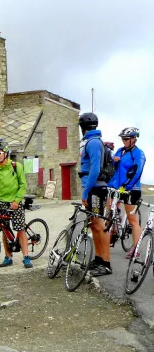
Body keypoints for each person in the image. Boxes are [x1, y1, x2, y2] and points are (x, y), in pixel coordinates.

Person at [77, 112, 112, 276]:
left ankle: (105, 263)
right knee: (94, 225)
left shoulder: (92, 143)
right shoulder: (93, 142)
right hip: (94, 189)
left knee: (99, 226)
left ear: (82, 127)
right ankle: (98, 259)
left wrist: (85, 192)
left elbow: (95, 169)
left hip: (95, 189)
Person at [111, 127, 146, 258]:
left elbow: (137, 172)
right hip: (118, 187)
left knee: (133, 221)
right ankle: (115, 227)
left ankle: (135, 250)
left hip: (132, 189)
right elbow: (114, 170)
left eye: (126, 139)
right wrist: (114, 162)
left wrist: (128, 186)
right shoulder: (120, 151)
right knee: (111, 209)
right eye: (122, 139)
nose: (123, 141)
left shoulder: (138, 154)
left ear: (134, 139)